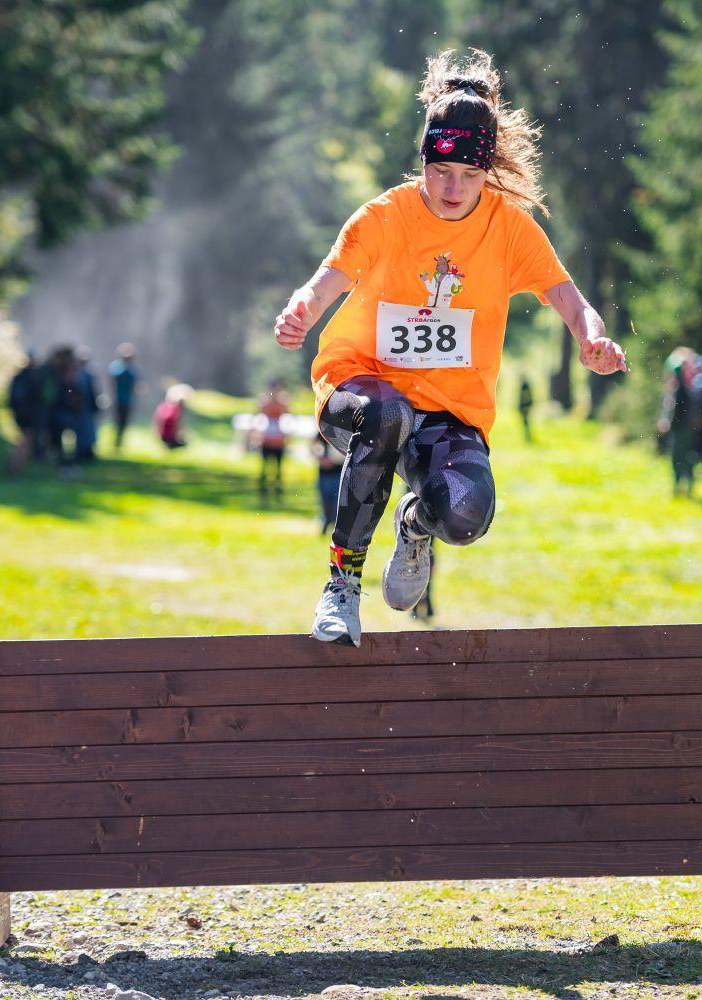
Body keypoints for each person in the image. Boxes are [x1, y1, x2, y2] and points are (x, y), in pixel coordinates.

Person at [273, 48, 628, 646]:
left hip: (448, 413)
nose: (453, 188)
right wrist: (302, 308)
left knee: (466, 516)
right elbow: (327, 277)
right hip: (357, 388)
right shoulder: (385, 217)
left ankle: (415, 526)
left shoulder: (509, 227)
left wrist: (592, 336)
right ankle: (342, 585)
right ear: (423, 161)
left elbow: (567, 297)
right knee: (387, 416)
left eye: (469, 175)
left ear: (487, 172)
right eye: (441, 172)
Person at [657, 348, 697, 498]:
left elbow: (672, 405)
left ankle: (681, 486)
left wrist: (666, 420)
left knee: (679, 457)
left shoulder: (680, 384)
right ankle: (684, 487)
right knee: (684, 456)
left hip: (680, 426)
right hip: (684, 425)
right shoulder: (690, 384)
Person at [6, 351, 44, 474]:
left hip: (21, 413)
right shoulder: (31, 377)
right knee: (25, 442)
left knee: (24, 441)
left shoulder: (19, 376)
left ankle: (16, 468)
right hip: (27, 414)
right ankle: (15, 468)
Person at [107, 342, 143, 451]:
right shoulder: (117, 367)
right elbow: (113, 379)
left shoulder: (133, 369)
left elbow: (137, 383)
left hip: (128, 400)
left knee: (125, 421)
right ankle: (116, 441)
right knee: (117, 421)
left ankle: (120, 441)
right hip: (117, 399)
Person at [257, 380, 289, 500]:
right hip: (267, 439)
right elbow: (259, 418)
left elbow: (288, 417)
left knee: (278, 469)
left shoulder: (283, 402)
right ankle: (263, 491)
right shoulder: (264, 402)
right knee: (264, 467)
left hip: (278, 440)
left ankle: (278, 491)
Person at [313, 430, 344, 536]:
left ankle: (336, 530)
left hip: (338, 472)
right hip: (324, 473)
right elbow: (313, 445)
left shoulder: (343, 431)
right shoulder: (323, 430)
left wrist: (335, 460)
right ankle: (325, 524)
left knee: (337, 503)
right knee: (325, 501)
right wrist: (321, 459)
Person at [153, 384, 189, 449]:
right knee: (186, 441)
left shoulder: (164, 405)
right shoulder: (175, 410)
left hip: (162, 435)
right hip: (168, 437)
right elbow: (175, 425)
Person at [517, 376, 535, 443]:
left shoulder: (523, 387)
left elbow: (524, 398)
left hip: (525, 408)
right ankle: (527, 437)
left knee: (526, 423)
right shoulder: (526, 387)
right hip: (525, 408)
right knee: (526, 424)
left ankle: (528, 437)